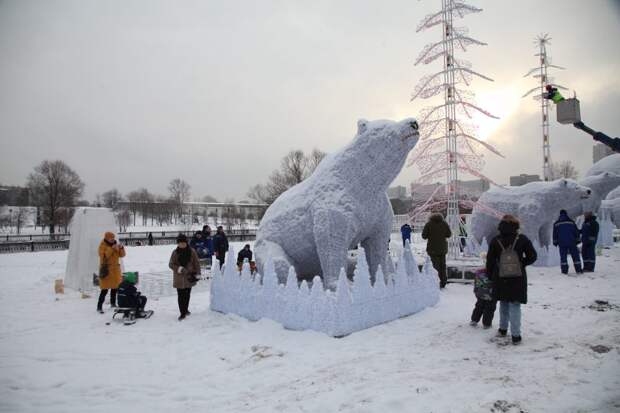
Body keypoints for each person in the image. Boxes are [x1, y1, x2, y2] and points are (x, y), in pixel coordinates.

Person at [487, 215, 537, 345]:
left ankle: (503, 329)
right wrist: (521, 263)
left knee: (503, 302)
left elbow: (490, 260)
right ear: (516, 225)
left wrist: (489, 276)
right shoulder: (522, 239)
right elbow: (533, 256)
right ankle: (516, 335)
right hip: (517, 277)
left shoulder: (496, 240)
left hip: (500, 276)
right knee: (515, 305)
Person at [169, 234, 201, 320]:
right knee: (181, 296)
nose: (182, 244)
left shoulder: (192, 251)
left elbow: (196, 263)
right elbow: (171, 264)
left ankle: (186, 309)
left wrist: (198, 274)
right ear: (178, 243)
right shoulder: (175, 253)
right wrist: (179, 268)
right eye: (180, 243)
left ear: (186, 243)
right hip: (179, 278)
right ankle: (182, 313)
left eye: (183, 243)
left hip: (189, 277)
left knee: (187, 295)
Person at [97, 232, 125, 313]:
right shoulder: (102, 245)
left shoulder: (115, 244)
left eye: (113, 238)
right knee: (104, 290)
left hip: (115, 270)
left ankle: (113, 303)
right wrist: (112, 248)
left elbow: (122, 255)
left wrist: (121, 248)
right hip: (107, 270)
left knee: (114, 288)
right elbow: (104, 256)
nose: (113, 239)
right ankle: (99, 307)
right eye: (111, 238)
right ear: (106, 238)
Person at [421, 213, 452, 288]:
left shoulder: (429, 224)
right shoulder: (444, 223)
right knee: (443, 266)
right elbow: (449, 234)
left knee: (435, 266)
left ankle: (436, 282)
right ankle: (443, 282)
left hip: (432, 249)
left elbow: (424, 236)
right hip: (442, 249)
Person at [552, 209, 583, 274]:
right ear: (566, 214)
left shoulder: (556, 223)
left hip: (562, 243)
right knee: (575, 256)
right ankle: (578, 269)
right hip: (572, 242)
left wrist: (555, 242)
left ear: (560, 214)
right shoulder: (571, 222)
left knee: (563, 257)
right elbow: (576, 232)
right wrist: (578, 240)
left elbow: (555, 234)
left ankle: (564, 271)